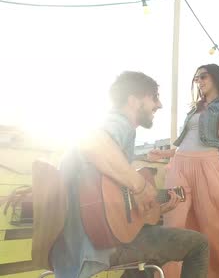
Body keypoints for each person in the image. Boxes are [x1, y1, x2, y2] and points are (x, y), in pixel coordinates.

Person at [50, 71, 209, 278]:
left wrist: (156, 208)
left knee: (148, 247)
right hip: (93, 248)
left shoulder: (107, 132)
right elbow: (93, 143)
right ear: (134, 100)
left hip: (70, 250)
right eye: (154, 97)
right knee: (199, 245)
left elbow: (109, 204)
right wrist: (140, 187)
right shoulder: (119, 124)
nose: (159, 105)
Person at [150, 64, 219, 278]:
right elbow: (188, 140)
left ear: (215, 77)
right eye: (196, 79)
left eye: (203, 76)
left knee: (212, 224)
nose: (199, 81)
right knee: (173, 221)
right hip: (179, 164)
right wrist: (165, 154)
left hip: (207, 166)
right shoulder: (195, 108)